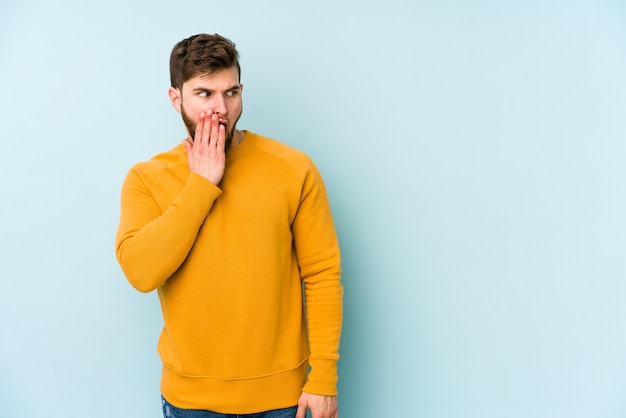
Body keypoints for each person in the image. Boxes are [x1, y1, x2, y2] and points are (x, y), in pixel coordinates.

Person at [115, 33, 343, 418]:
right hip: (190, 403)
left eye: (231, 92)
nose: (220, 107)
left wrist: (323, 378)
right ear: (176, 98)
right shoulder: (147, 177)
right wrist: (201, 184)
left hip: (285, 400)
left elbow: (321, 275)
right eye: (204, 93)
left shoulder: (293, 169)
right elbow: (140, 272)